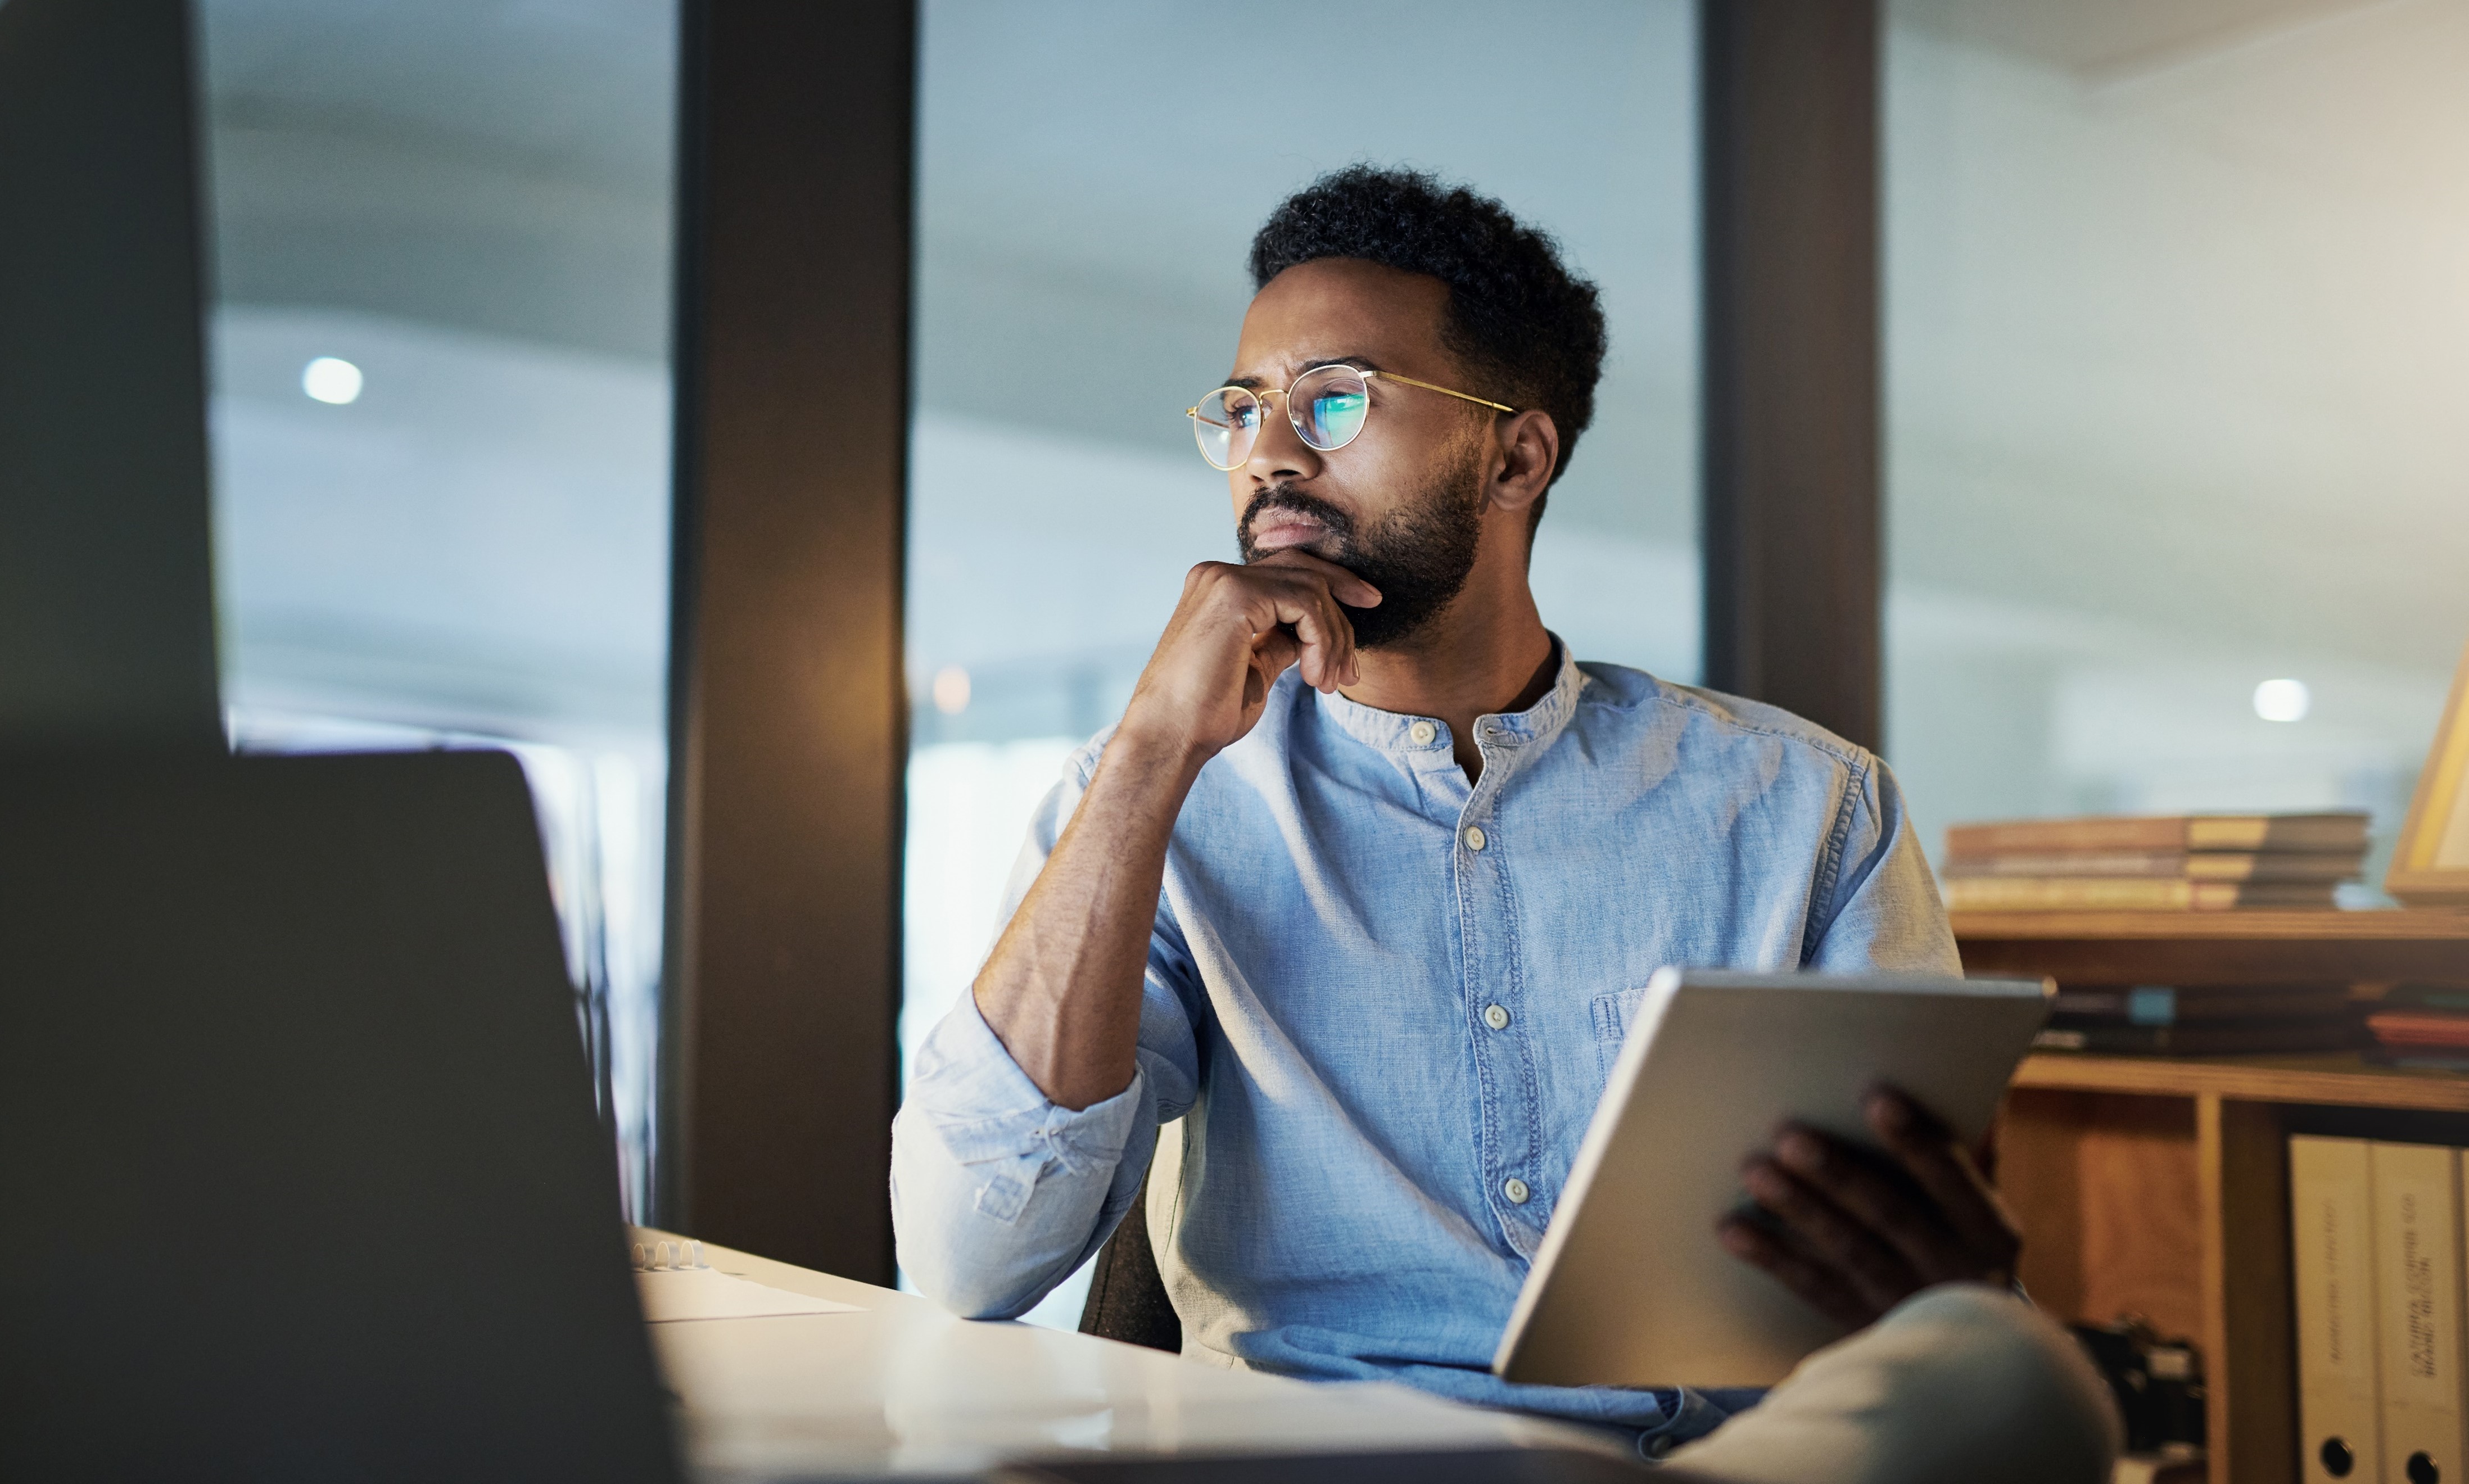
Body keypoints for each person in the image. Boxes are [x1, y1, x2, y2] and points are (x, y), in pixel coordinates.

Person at [892, 165, 2111, 1473]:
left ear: (1515, 456)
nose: (1270, 452)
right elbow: (967, 1260)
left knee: (2021, 1383)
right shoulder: (1158, 795)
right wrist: (1143, 754)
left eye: (1334, 400)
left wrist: (1952, 1289)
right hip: (1319, 1457)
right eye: (1243, 409)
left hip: (1705, 1458)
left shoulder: (1808, 804)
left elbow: (1914, 1295)